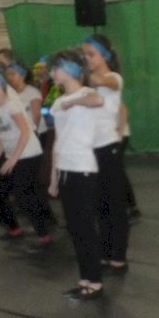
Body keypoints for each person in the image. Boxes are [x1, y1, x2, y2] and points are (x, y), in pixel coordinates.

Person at [48, 49, 105, 301]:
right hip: (65, 169)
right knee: (74, 227)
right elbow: (58, 142)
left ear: (70, 69)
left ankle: (95, 281)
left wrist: (75, 101)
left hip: (83, 169)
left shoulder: (85, 94)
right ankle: (85, 278)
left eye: (56, 68)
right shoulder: (58, 102)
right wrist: (53, 178)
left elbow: (97, 100)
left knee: (85, 226)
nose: (52, 73)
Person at [0, 68, 52, 249]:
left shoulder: (11, 105)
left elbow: (26, 132)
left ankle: (43, 234)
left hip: (28, 153)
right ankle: (14, 229)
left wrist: (13, 159)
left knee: (22, 195)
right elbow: (2, 136)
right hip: (11, 153)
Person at [82, 35, 131, 274]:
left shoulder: (113, 78)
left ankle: (119, 257)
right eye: (84, 55)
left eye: (91, 54)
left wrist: (77, 73)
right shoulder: (88, 83)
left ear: (105, 56)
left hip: (109, 146)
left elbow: (106, 82)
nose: (87, 59)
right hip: (91, 148)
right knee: (99, 203)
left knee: (115, 204)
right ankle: (105, 250)